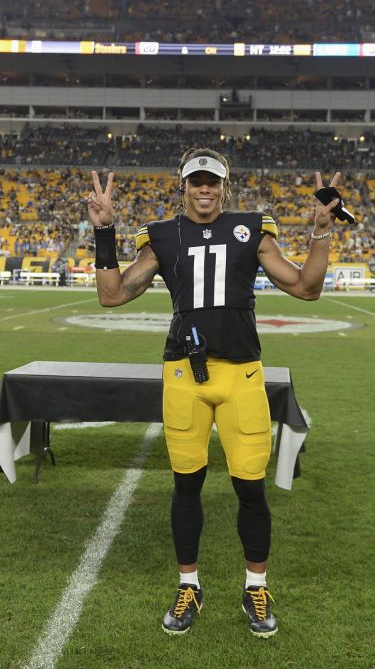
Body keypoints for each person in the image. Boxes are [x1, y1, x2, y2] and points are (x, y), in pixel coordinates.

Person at [86, 148, 342, 639]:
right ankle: (189, 586)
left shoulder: (251, 229)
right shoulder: (162, 236)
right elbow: (112, 294)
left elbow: (307, 288)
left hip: (242, 374)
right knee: (186, 485)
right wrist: (103, 231)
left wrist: (321, 231)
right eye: (195, 181)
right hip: (184, 375)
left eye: (212, 181)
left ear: (225, 186)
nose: (204, 189)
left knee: (251, 486)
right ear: (183, 185)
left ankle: (255, 586)